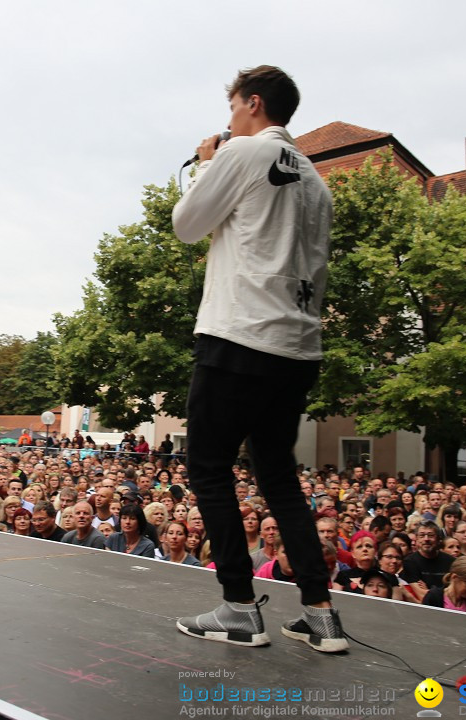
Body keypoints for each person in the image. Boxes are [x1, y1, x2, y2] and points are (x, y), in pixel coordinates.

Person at [171, 65, 344, 652]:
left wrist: (205, 163)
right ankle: (321, 615)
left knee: (210, 467)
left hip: (239, 334)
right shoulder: (318, 182)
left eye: (232, 111)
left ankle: (240, 608)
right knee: (279, 478)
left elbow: (186, 225)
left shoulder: (241, 154)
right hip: (297, 348)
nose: (228, 123)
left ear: (252, 103)